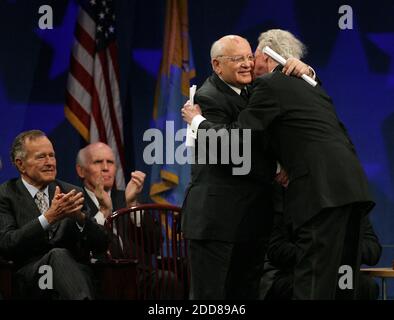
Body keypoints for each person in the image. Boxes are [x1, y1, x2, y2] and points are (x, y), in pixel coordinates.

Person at [236, 29, 375, 299]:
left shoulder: (269, 85)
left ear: (266, 56)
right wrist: (310, 72)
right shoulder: (312, 87)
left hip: (319, 193)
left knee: (312, 277)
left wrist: (200, 125)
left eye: (254, 57)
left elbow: (244, 133)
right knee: (341, 280)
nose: (251, 65)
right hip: (351, 190)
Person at [181, 35, 313, 299]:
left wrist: (307, 71)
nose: (246, 64)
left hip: (250, 221)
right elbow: (230, 153)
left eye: (249, 57)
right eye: (237, 59)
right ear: (217, 65)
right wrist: (276, 169)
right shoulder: (208, 99)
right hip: (216, 222)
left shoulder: (254, 91)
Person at [0, 130, 109, 299]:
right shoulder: (6, 195)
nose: (50, 162)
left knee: (68, 265)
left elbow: (101, 244)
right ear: (20, 164)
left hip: (75, 276)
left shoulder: (72, 192)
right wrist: (48, 218)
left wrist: (80, 219)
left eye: (52, 156)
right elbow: (7, 243)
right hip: (32, 278)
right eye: (41, 157)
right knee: (58, 255)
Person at [76, 142, 183, 299]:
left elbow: (154, 244)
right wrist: (103, 212)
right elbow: (81, 246)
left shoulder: (127, 197)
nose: (105, 168)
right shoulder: (75, 201)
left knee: (167, 279)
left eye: (110, 162)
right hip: (99, 276)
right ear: (81, 170)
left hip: (137, 275)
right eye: (98, 162)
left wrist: (132, 204)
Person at [260, 211, 381, 300]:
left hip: (341, 274)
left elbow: (373, 250)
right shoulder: (290, 201)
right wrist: (319, 253)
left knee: (367, 286)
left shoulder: (353, 206)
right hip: (298, 272)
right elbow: (276, 249)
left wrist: (339, 249)